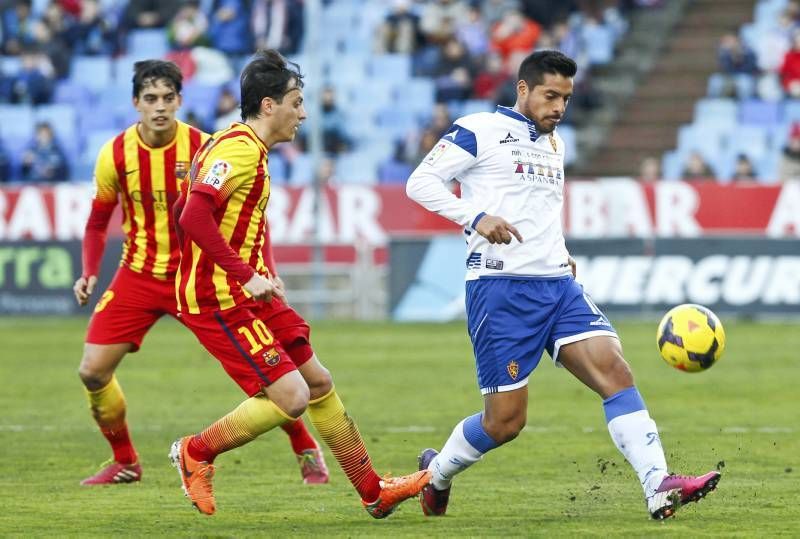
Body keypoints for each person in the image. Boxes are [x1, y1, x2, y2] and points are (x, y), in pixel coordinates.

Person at [405, 50, 720, 520]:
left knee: (616, 373)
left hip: (556, 284)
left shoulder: (556, 144)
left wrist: (558, 250)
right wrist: (475, 217)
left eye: (566, 99)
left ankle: (658, 485)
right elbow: (420, 183)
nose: (559, 107)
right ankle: (437, 477)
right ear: (523, 89)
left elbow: (540, 207)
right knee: (505, 422)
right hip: (500, 289)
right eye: (550, 96)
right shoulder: (479, 129)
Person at [169, 49, 430, 517]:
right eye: (296, 101)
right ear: (269, 105)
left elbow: (198, 209)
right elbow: (191, 216)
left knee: (319, 381)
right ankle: (196, 452)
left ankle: (374, 492)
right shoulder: (237, 149)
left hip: (250, 292)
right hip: (219, 299)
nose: (303, 113)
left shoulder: (239, 145)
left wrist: (263, 266)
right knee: (291, 397)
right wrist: (244, 273)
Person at [73, 59, 328, 487]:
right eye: (150, 99)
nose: (159, 107)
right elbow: (98, 221)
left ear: (180, 101)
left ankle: (304, 447)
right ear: (136, 103)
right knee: (92, 371)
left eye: (168, 98)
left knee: (264, 369)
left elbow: (252, 217)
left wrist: (261, 268)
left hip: (202, 275)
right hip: (139, 273)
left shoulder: (207, 146)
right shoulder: (114, 154)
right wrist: (88, 272)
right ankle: (126, 461)